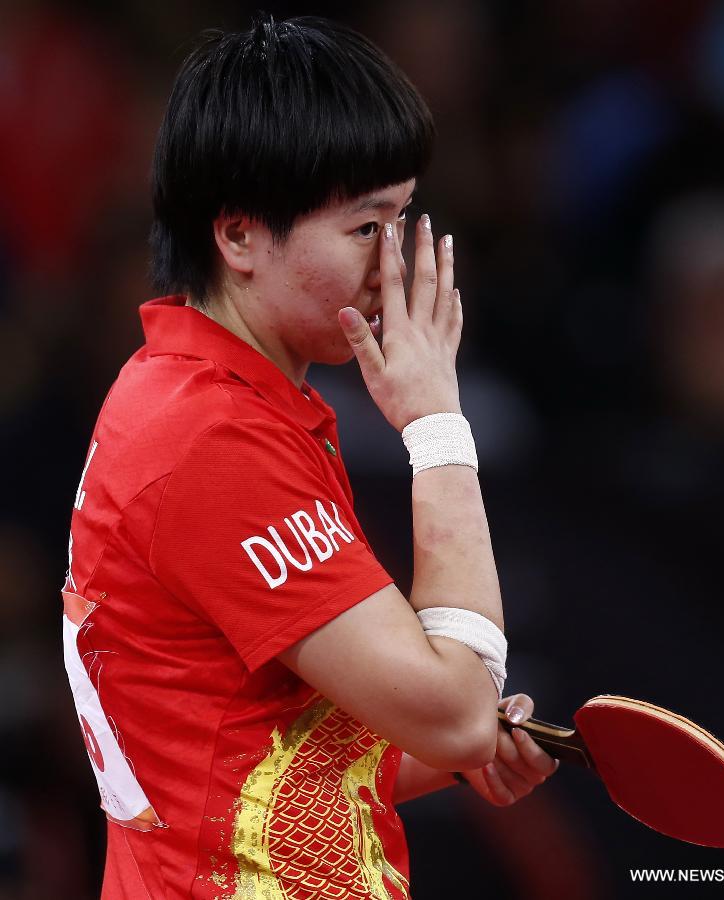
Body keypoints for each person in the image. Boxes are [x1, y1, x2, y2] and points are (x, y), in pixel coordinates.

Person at [62, 14, 558, 899]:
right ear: (240, 235)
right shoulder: (209, 440)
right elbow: (451, 709)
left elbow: (261, 754)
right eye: (366, 229)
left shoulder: (213, 402)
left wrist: (457, 747)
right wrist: (439, 425)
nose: (394, 266)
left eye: (402, 219)